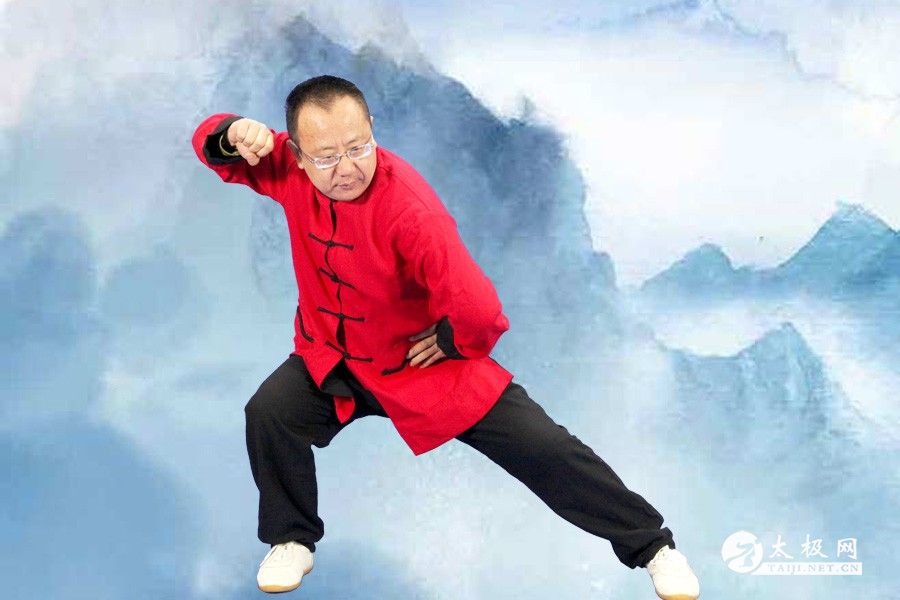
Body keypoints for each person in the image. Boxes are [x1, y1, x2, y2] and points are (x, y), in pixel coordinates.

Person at [190, 74, 700, 599]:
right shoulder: (287, 169)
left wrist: (455, 342)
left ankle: (654, 548)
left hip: (421, 368)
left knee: (545, 449)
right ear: (296, 156)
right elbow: (210, 143)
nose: (346, 168)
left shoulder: (410, 209)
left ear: (372, 131)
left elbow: (479, 308)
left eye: (359, 148)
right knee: (270, 412)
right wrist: (231, 132)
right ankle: (291, 539)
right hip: (333, 358)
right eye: (327, 157)